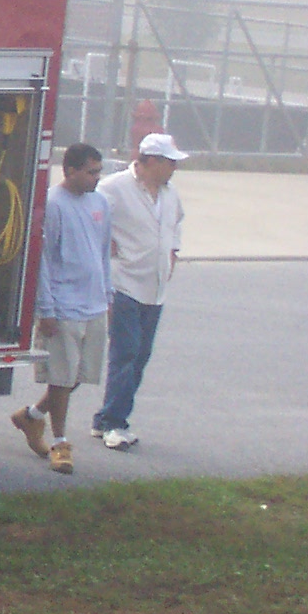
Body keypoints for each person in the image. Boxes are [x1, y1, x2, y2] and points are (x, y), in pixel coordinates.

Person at [13, 142, 110, 473]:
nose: (97, 178)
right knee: (61, 376)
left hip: (94, 304)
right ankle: (60, 442)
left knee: (77, 375)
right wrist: (46, 309)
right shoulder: (53, 205)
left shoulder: (100, 203)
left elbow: (102, 253)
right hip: (64, 305)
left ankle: (32, 416)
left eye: (98, 171)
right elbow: (43, 260)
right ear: (70, 170)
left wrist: (107, 296)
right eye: (91, 172)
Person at [92, 131, 187, 449]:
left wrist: (172, 253)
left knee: (141, 355)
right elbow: (91, 218)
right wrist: (106, 245)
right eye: (170, 162)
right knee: (126, 352)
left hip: (155, 288)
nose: (174, 168)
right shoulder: (114, 188)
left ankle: (106, 417)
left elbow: (176, 224)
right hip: (124, 285)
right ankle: (114, 422)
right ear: (151, 161)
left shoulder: (170, 194)